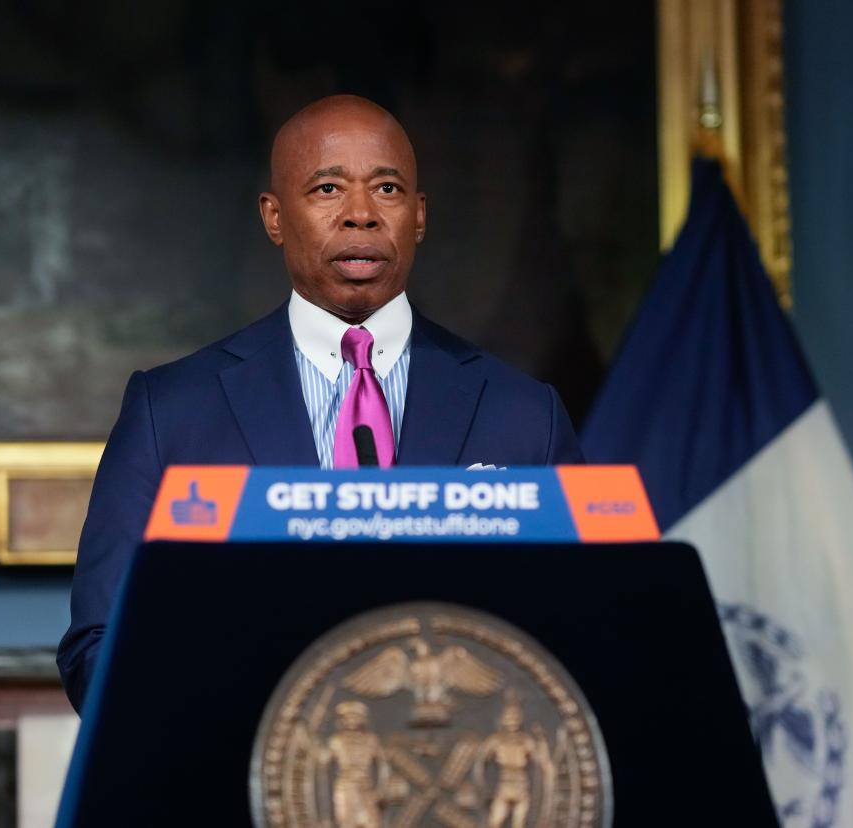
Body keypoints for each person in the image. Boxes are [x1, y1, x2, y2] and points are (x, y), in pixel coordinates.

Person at [57, 95, 582, 711]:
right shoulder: (170, 412)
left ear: (418, 216)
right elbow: (97, 650)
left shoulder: (525, 416)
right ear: (274, 217)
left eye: (386, 189)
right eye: (328, 188)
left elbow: (585, 629)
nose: (360, 214)